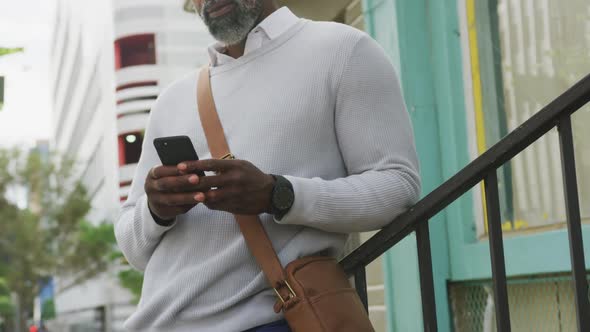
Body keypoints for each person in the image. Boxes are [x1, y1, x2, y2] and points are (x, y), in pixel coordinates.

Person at [114, 0, 421, 331]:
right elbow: (133, 248)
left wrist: (280, 195)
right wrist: (157, 209)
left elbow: (398, 185)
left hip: (269, 319)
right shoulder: (172, 100)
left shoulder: (344, 51)